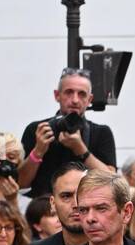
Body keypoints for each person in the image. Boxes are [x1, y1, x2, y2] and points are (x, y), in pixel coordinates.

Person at [19, 68, 116, 198]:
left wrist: (81, 150)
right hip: (43, 211)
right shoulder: (37, 129)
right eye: (69, 92)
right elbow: (20, 183)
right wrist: (38, 151)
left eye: (82, 94)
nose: (75, 100)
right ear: (57, 95)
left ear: (89, 99)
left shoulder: (101, 132)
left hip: (85, 210)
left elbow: (113, 182)